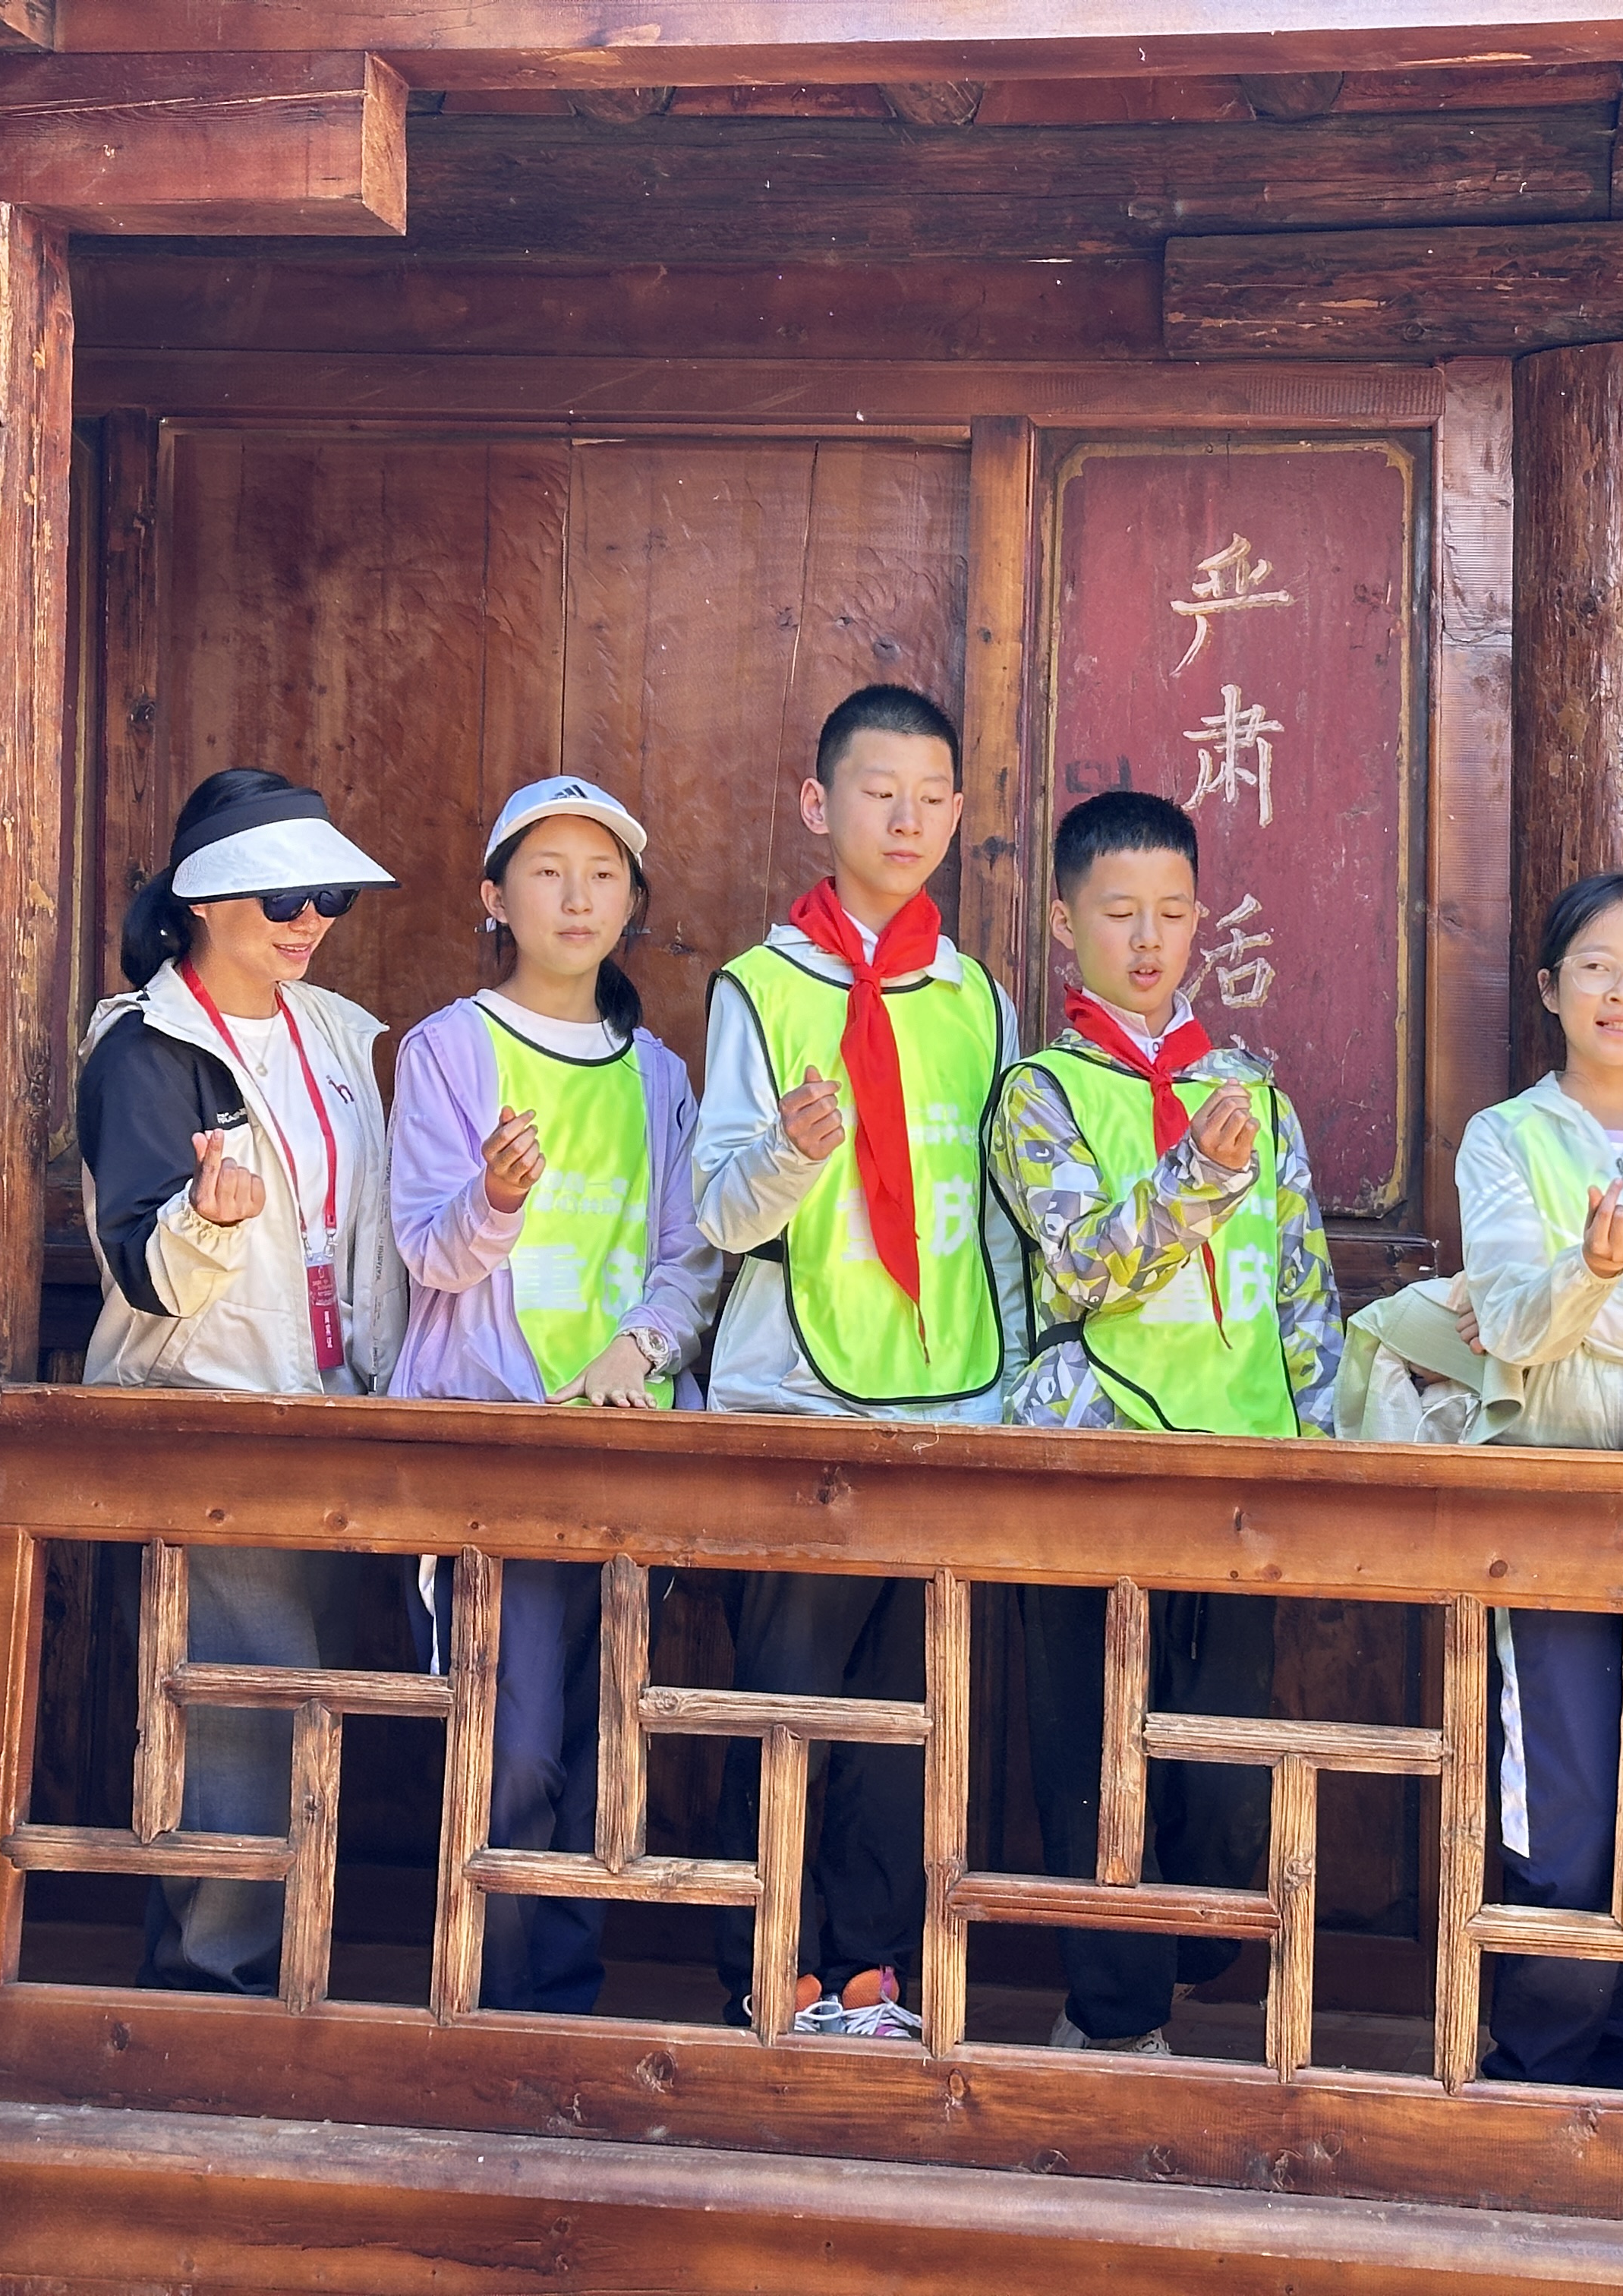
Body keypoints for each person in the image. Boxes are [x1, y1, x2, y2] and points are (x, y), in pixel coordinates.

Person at [1349, 872, 1623, 2088]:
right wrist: (1583, 1286)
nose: (1621, 990)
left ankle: (1605, 2063)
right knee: (1564, 1807)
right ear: (1550, 987)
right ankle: (1540, 2069)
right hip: (1542, 1507)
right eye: (1596, 965)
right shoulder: (1507, 1139)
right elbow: (1515, 1325)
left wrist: (1584, 1295)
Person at [985, 790, 1341, 2056]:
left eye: (1173, 914)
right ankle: (1112, 2020)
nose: (1148, 941)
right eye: (1119, 913)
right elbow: (1083, 1266)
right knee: (1094, 1753)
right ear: (1065, 921)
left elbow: (1303, 1287)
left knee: (1223, 1758)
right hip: (1096, 1463)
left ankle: (1183, 1966)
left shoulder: (1253, 1095)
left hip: (1241, 1461)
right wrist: (1199, 1175)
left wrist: (1320, 1450)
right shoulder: (1039, 1093)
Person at [694, 684, 1023, 2036]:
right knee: (787, 1700)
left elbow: (997, 1218)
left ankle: (877, 1974)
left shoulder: (976, 998)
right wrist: (790, 1150)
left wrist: (1009, 1398)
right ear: (817, 804)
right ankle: (768, 1966)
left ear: (957, 814)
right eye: (878, 792)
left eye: (930, 796)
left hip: (949, 1400)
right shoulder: (761, 988)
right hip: (798, 1396)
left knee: (909, 1707)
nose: (905, 818)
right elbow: (720, 1216)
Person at [386, 775, 725, 2012]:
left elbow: (692, 1259)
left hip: (626, 1453)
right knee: (511, 1744)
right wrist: (497, 1199)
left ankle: (563, 2006)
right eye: (547, 871)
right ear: (494, 897)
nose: (577, 898)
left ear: (632, 902)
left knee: (601, 1743)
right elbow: (427, 1253)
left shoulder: (660, 1078)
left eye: (603, 875)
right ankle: (489, 2003)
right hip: (495, 1452)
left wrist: (642, 1350)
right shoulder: (447, 1051)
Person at [77, 767, 407, 1994]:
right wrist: (208, 1222)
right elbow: (147, 1272)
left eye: (331, 898)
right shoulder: (144, 1047)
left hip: (328, 1420)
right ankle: (212, 1992)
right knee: (237, 1723)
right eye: (284, 899)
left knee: (302, 1713)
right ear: (205, 902)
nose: (311, 920)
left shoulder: (337, 1034)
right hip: (206, 1421)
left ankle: (273, 1987)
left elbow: (371, 1234)